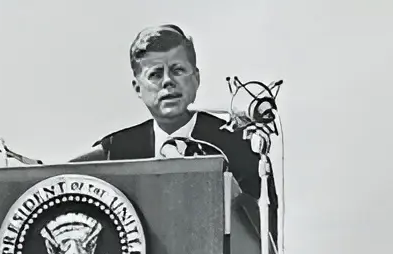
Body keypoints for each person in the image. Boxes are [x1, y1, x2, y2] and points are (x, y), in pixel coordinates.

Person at [68, 24, 278, 231]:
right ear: (138, 88)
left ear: (196, 79)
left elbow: (264, 234)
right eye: (155, 74)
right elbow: (62, 175)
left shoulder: (239, 144)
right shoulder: (117, 150)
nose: (168, 81)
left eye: (178, 70)